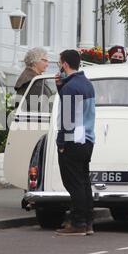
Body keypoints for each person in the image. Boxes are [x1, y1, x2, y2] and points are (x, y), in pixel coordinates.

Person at [54, 49, 96, 236]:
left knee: (73, 183)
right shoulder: (86, 84)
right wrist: (59, 86)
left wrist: (61, 142)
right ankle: (87, 222)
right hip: (86, 138)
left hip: (72, 140)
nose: (58, 66)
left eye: (59, 63)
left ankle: (78, 223)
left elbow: (68, 118)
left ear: (64, 64)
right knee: (84, 181)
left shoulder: (71, 87)